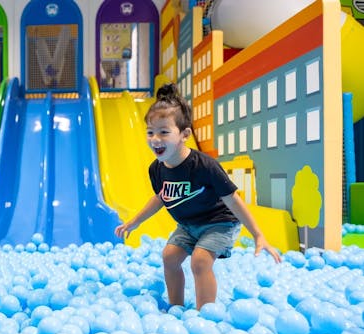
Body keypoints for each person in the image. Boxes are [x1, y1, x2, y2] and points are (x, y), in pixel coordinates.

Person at [115, 83, 281, 310]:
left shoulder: (204, 166)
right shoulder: (157, 169)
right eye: (150, 132)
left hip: (219, 223)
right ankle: (176, 308)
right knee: (169, 257)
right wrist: (134, 222)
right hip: (188, 225)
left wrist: (258, 235)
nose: (155, 139)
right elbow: (161, 198)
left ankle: (206, 314)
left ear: (185, 135)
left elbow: (233, 199)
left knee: (200, 261)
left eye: (164, 132)